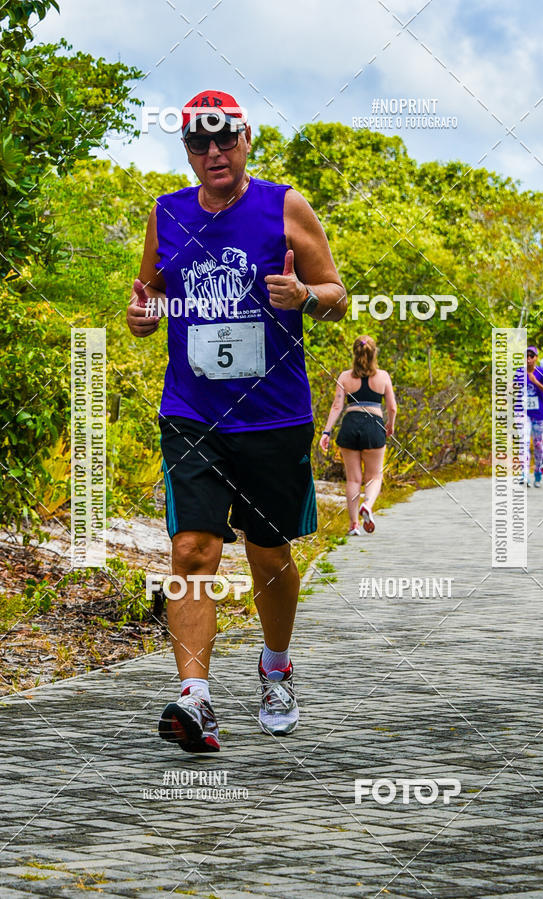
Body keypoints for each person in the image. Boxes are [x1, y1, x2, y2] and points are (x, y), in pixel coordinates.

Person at [126, 89, 347, 752]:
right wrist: (141, 317)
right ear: (187, 149)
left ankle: (276, 668)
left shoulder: (283, 205)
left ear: (246, 140)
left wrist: (304, 295)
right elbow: (151, 299)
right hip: (191, 411)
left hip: (273, 417)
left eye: (225, 139)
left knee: (269, 554)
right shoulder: (166, 214)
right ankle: (195, 700)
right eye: (199, 142)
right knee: (192, 549)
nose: (214, 153)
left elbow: (337, 297)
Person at [319, 336, 396, 534]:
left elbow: (337, 406)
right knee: (374, 476)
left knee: (353, 479)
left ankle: (353, 525)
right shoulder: (383, 376)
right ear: (374, 353)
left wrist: (326, 432)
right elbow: (392, 408)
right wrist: (390, 425)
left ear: (355, 353)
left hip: (350, 425)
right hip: (374, 426)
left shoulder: (345, 377)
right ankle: (367, 506)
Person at [524, 346, 543, 487]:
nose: (529, 359)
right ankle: (524, 474)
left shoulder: (542, 373)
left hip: (539, 414)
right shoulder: (519, 372)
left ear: (536, 358)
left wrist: (535, 382)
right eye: (527, 356)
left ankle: (537, 471)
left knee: (537, 444)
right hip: (523, 413)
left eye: (532, 356)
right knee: (523, 443)